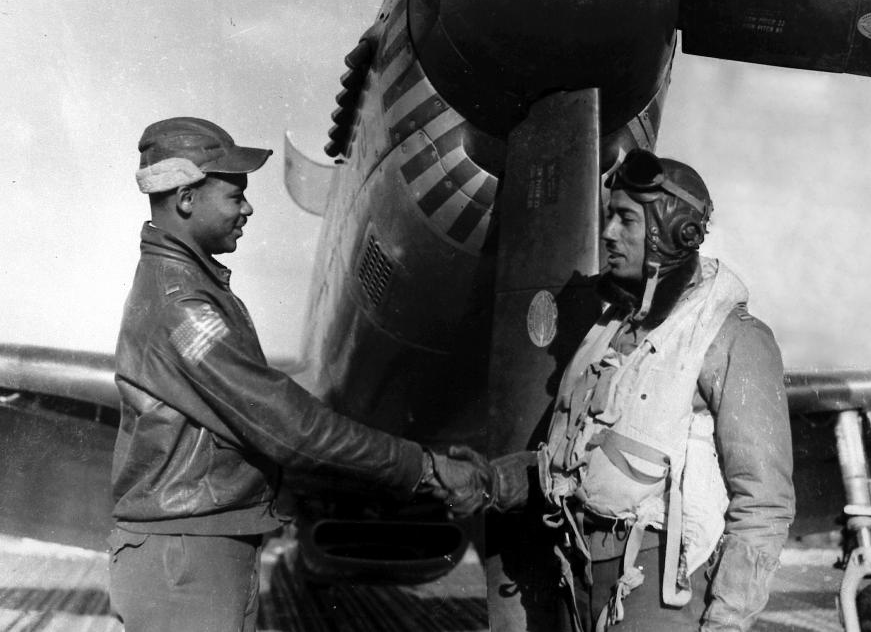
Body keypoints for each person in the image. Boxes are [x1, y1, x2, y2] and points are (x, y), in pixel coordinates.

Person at [109, 116, 493, 632]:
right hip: (188, 560)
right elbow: (287, 425)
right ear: (185, 200)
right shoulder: (183, 307)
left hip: (199, 552)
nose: (247, 208)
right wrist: (423, 466)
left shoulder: (186, 288)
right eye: (234, 194)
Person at [491, 148, 795, 631]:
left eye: (626, 220)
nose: (608, 233)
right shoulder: (612, 328)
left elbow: (764, 504)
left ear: (673, 232)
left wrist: (726, 623)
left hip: (659, 588)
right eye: (609, 217)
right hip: (578, 573)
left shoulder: (735, 338)